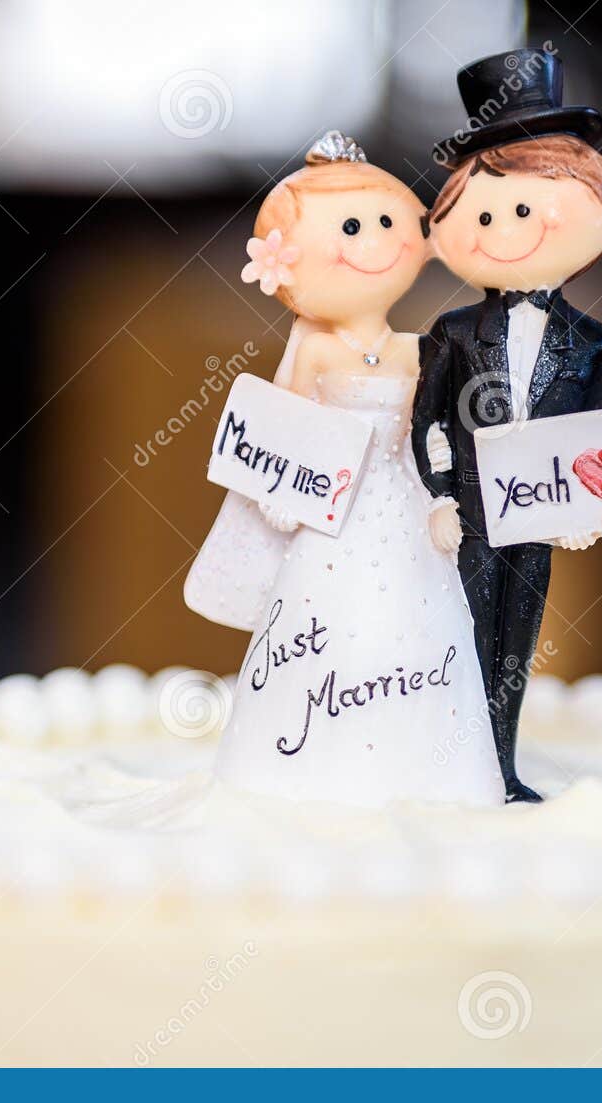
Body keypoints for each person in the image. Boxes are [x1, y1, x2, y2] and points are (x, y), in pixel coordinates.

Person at [188, 132, 503, 807]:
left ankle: (427, 768)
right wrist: (281, 491)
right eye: (355, 227)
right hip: (331, 515)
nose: (378, 241)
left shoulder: (421, 349)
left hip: (404, 504)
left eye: (390, 222)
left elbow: (437, 429)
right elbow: (287, 422)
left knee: (418, 624)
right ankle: (309, 768)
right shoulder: (316, 348)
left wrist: (445, 496)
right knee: (328, 626)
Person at [412, 50, 602, 802]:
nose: (509, 230)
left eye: (533, 208)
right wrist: (438, 497)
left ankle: (499, 766)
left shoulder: (594, 342)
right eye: (485, 213)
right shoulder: (450, 334)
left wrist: (590, 511)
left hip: (537, 526)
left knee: (516, 645)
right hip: (469, 519)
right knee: (460, 639)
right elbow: (428, 422)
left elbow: (601, 439)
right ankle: (450, 761)